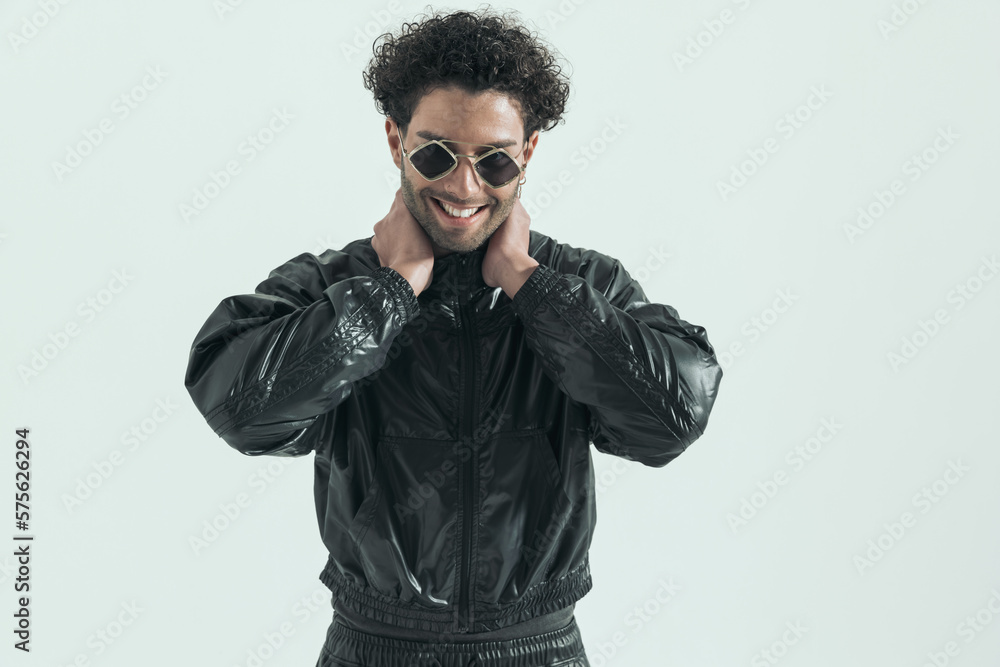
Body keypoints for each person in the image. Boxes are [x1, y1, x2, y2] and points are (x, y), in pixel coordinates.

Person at [183, 7, 723, 666]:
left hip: (541, 651)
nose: (464, 186)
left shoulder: (578, 286)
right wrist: (390, 293)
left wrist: (528, 284)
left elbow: (674, 416)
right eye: (436, 154)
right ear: (395, 140)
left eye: (494, 161)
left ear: (527, 153)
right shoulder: (335, 286)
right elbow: (239, 409)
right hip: (371, 650)